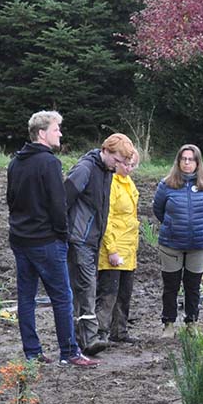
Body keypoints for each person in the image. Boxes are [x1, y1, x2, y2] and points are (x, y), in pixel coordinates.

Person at [5, 110, 97, 367]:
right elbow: (59, 204)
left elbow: (10, 200)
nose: (60, 133)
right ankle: (69, 351)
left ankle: (32, 352)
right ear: (42, 133)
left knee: (26, 297)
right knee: (62, 297)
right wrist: (63, 235)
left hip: (21, 239)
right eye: (57, 129)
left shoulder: (16, 162)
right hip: (46, 241)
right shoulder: (49, 163)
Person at [65, 133, 138, 355]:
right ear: (105, 151)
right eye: (117, 161)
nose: (119, 166)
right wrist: (64, 230)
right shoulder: (85, 168)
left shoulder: (106, 171)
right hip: (80, 238)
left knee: (83, 289)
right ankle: (89, 339)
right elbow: (64, 196)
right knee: (87, 287)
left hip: (92, 239)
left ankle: (79, 337)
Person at [153, 144, 203, 337]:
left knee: (193, 285)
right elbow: (158, 210)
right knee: (170, 285)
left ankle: (191, 322)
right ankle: (169, 324)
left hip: (198, 244)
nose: (187, 163)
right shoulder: (166, 184)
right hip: (171, 244)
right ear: (178, 161)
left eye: (191, 159)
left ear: (198, 162)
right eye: (184, 159)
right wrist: (173, 226)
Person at [94, 144, 140, 348]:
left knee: (124, 293)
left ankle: (119, 331)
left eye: (133, 165)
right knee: (108, 294)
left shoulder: (128, 182)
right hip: (113, 249)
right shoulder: (111, 183)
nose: (130, 168)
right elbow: (107, 219)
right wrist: (111, 250)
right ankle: (100, 332)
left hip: (129, 249)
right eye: (127, 164)